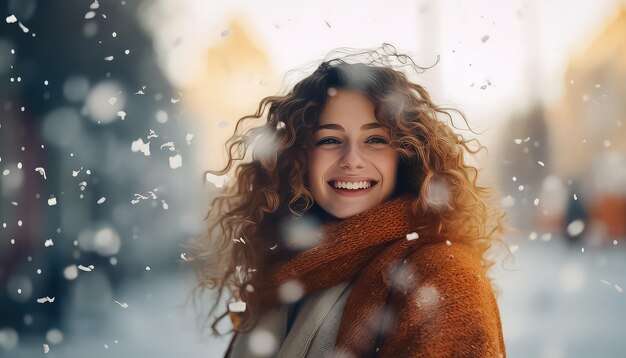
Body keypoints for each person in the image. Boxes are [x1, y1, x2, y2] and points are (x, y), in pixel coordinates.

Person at [186, 44, 508, 357]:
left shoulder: (442, 274)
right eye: (329, 139)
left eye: (375, 139)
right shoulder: (281, 271)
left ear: (404, 154)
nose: (352, 159)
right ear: (299, 157)